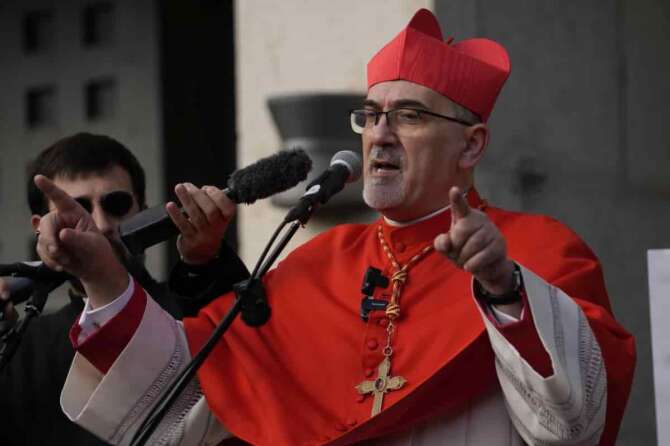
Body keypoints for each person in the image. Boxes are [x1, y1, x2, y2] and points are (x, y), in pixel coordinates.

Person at [32, 9, 635, 446]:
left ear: (472, 144)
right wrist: (105, 279)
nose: (379, 134)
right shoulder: (317, 263)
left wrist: (503, 287)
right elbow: (184, 395)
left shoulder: (542, 251)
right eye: (370, 115)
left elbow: (574, 427)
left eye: (409, 115)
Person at [0, 133, 249, 445]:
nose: (101, 224)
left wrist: (206, 261)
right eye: (77, 208)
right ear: (40, 226)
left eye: (116, 204)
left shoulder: (196, 300)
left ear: (142, 211)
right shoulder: (27, 345)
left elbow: (251, 370)